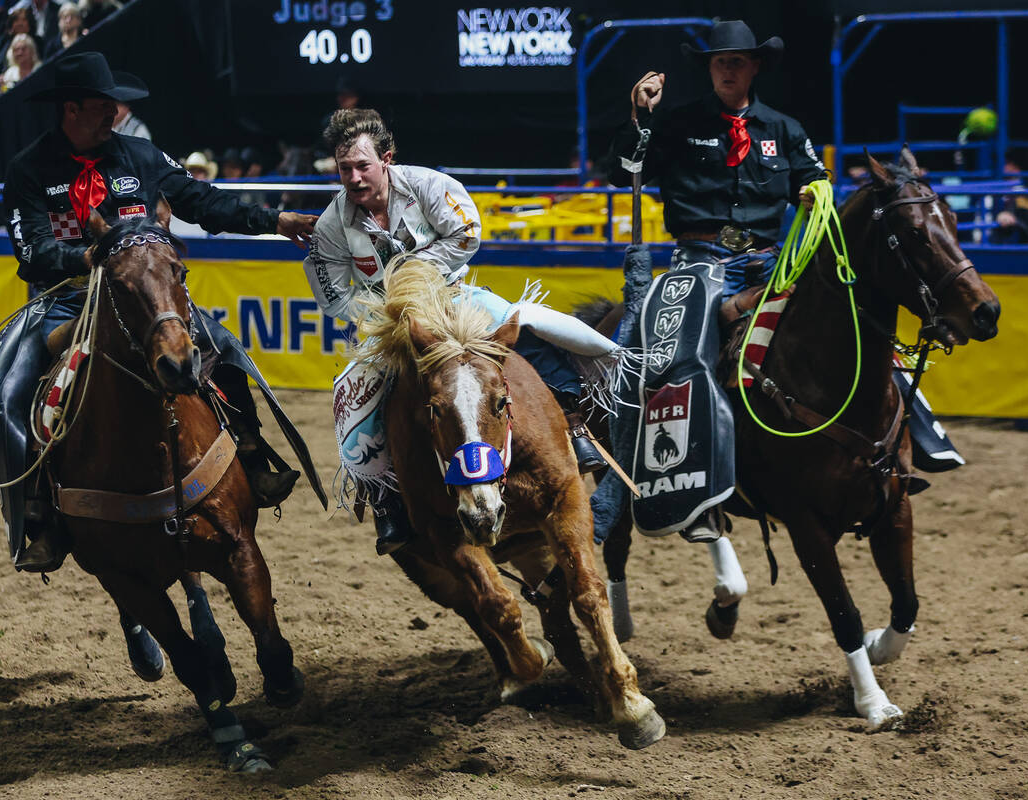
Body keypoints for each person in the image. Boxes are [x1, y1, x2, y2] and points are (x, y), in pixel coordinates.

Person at [0, 52, 317, 572]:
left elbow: (204, 202)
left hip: (145, 297)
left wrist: (275, 220)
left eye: (114, 106)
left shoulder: (141, 156)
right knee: (13, 391)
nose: (113, 115)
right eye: (102, 106)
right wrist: (88, 256)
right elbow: (29, 252)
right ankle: (38, 515)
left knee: (221, 346)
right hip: (67, 299)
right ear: (70, 109)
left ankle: (252, 453)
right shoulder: (27, 169)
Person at [304, 108, 635, 555]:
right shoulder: (331, 225)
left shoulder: (431, 186)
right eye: (346, 169)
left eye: (363, 165)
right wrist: (379, 311)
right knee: (357, 393)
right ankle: (386, 500)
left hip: (455, 298)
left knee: (526, 328)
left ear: (386, 158)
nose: (355, 178)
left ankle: (576, 425)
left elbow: (467, 233)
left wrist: (416, 276)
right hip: (389, 322)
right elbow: (330, 293)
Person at [600, 20, 828, 543]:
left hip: (772, 263)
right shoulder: (678, 123)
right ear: (709, 67)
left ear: (754, 67)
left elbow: (815, 178)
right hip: (699, 263)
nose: (728, 67)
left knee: (847, 316)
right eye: (719, 60)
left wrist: (817, 191)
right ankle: (665, 486)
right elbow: (623, 170)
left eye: (737, 60)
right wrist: (639, 114)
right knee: (671, 358)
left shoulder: (784, 129)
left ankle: (910, 442)